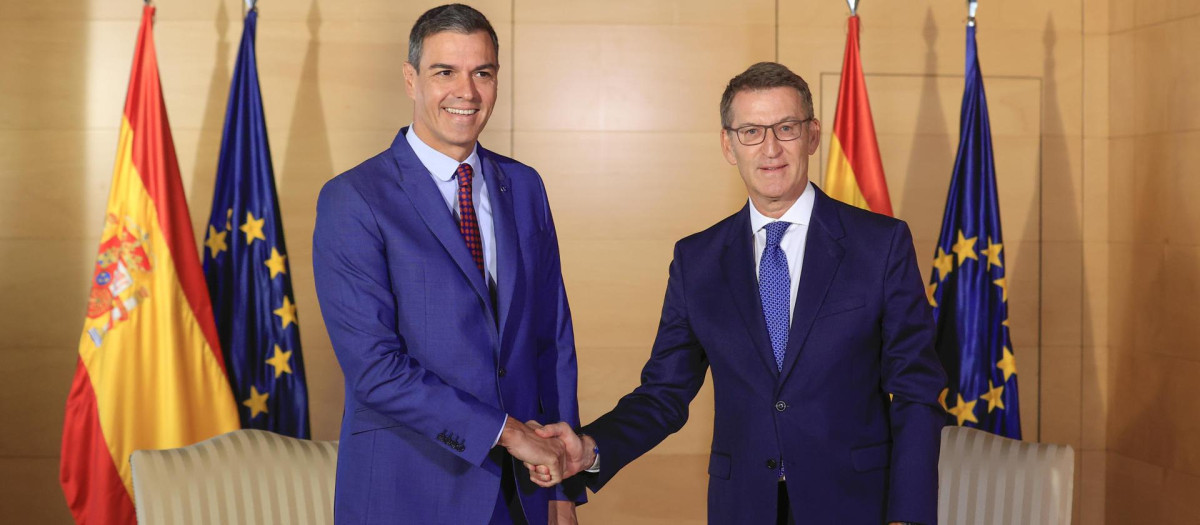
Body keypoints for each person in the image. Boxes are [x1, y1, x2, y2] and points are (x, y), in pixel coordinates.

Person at [530, 62, 947, 524]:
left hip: (856, 505)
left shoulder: (880, 245)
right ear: (728, 145)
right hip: (744, 507)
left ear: (812, 135)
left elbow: (916, 391)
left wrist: (909, 516)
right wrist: (590, 448)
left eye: (785, 128)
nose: (770, 149)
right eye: (751, 132)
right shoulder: (697, 260)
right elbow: (664, 393)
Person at [312, 4, 584, 524]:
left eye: (482, 73)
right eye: (445, 72)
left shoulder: (524, 186)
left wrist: (562, 489)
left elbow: (551, 340)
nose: (467, 92)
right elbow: (375, 369)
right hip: (407, 494)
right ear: (410, 79)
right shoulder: (354, 199)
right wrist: (508, 433)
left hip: (522, 495)